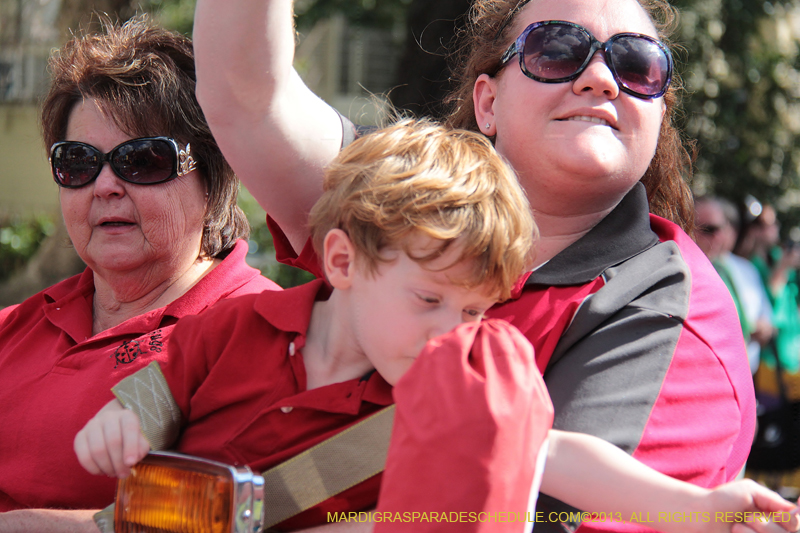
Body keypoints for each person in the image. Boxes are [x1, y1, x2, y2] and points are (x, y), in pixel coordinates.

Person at [192, 0, 756, 531]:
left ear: (659, 114)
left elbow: (542, 490)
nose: (601, 78)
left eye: (637, 64)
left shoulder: (669, 315)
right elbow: (246, 93)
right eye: (556, 50)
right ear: (487, 102)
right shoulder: (404, 200)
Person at [77, 120, 799, 533]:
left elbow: (551, 453)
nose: (454, 332)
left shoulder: (446, 387)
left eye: (476, 310)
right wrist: (120, 425)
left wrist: (695, 508)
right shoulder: (238, 323)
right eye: (429, 299)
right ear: (343, 260)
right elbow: (149, 397)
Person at [0, 15, 278, 531]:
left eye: (143, 160)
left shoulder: (257, 329)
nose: (104, 185)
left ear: (213, 178)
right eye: (78, 162)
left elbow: (231, 518)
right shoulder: (14, 327)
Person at [695, 196, 774, 374]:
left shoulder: (746, 269)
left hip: (746, 375)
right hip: (709, 374)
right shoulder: (683, 271)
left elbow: (767, 315)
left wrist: (763, 328)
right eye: (709, 229)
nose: (719, 236)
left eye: (723, 228)